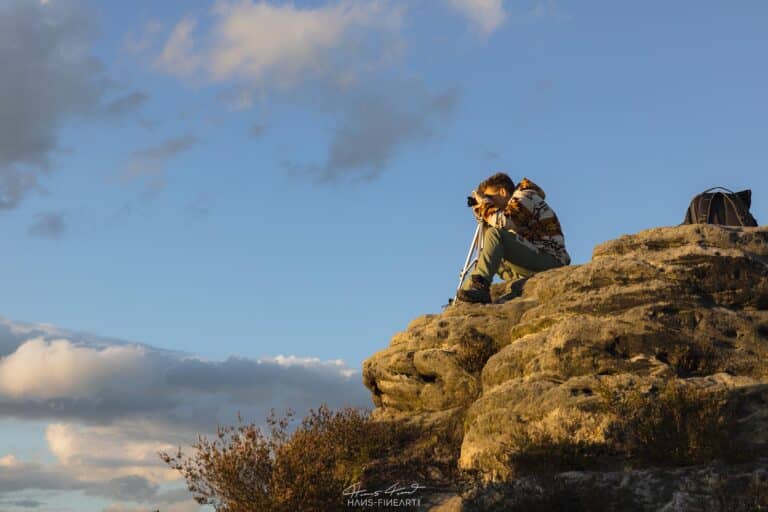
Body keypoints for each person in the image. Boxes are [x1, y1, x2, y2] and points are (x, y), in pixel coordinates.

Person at [457, 172, 570, 304]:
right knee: (488, 251)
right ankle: (463, 299)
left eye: (490, 197)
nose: (489, 201)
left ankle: (480, 288)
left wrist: (485, 204)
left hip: (551, 260)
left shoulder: (526, 195)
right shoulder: (513, 207)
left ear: (503, 192)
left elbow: (504, 222)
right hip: (535, 257)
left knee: (495, 235)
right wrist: (481, 210)